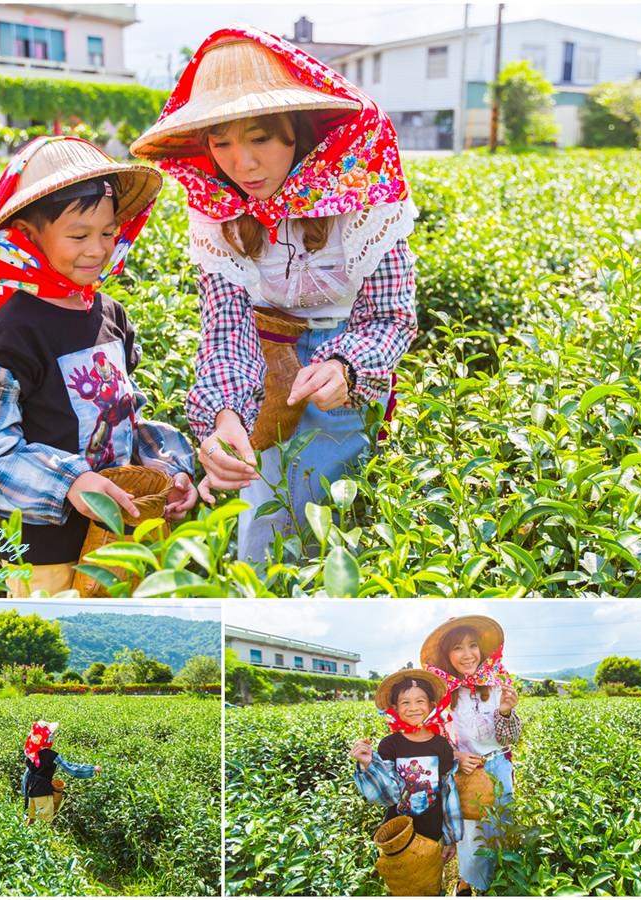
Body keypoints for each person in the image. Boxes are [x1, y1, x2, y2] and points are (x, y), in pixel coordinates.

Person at [131, 26, 417, 563]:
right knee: (264, 532)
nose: (242, 164)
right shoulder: (218, 211)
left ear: (297, 133)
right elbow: (225, 330)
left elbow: (391, 315)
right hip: (264, 370)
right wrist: (222, 416)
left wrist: (347, 367)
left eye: (259, 138)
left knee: (338, 532)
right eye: (222, 143)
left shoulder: (362, 196)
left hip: (344, 382)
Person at [0, 136, 198, 597]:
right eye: (78, 235)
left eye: (108, 233)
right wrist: (72, 480)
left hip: (122, 535)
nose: (96, 250)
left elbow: (125, 419)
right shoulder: (17, 327)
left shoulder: (110, 315)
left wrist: (169, 471)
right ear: (30, 235)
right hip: (48, 549)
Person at [421, 616, 522, 896]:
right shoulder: (443, 694)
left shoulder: (498, 682)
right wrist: (455, 756)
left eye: (472, 645)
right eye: (457, 648)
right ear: (447, 655)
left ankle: (494, 883)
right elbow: (434, 739)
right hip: (467, 772)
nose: (467, 655)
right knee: (471, 831)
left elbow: (510, 737)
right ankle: (466, 882)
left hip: (498, 765)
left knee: (500, 827)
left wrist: (505, 712)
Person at [351, 669, 461, 891]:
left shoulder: (441, 745)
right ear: (395, 708)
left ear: (431, 704)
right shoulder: (390, 745)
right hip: (400, 835)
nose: (413, 708)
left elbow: (448, 792)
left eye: (420, 701)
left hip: (432, 832)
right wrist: (368, 764)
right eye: (405, 702)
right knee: (403, 886)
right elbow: (389, 796)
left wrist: (451, 837)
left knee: (430, 884)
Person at [22, 720, 102, 824]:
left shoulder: (30, 751)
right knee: (44, 822)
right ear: (48, 739)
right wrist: (92, 768)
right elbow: (70, 769)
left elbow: (27, 773)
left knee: (31, 818)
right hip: (42, 791)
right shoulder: (52, 755)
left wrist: (25, 791)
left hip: (30, 787)